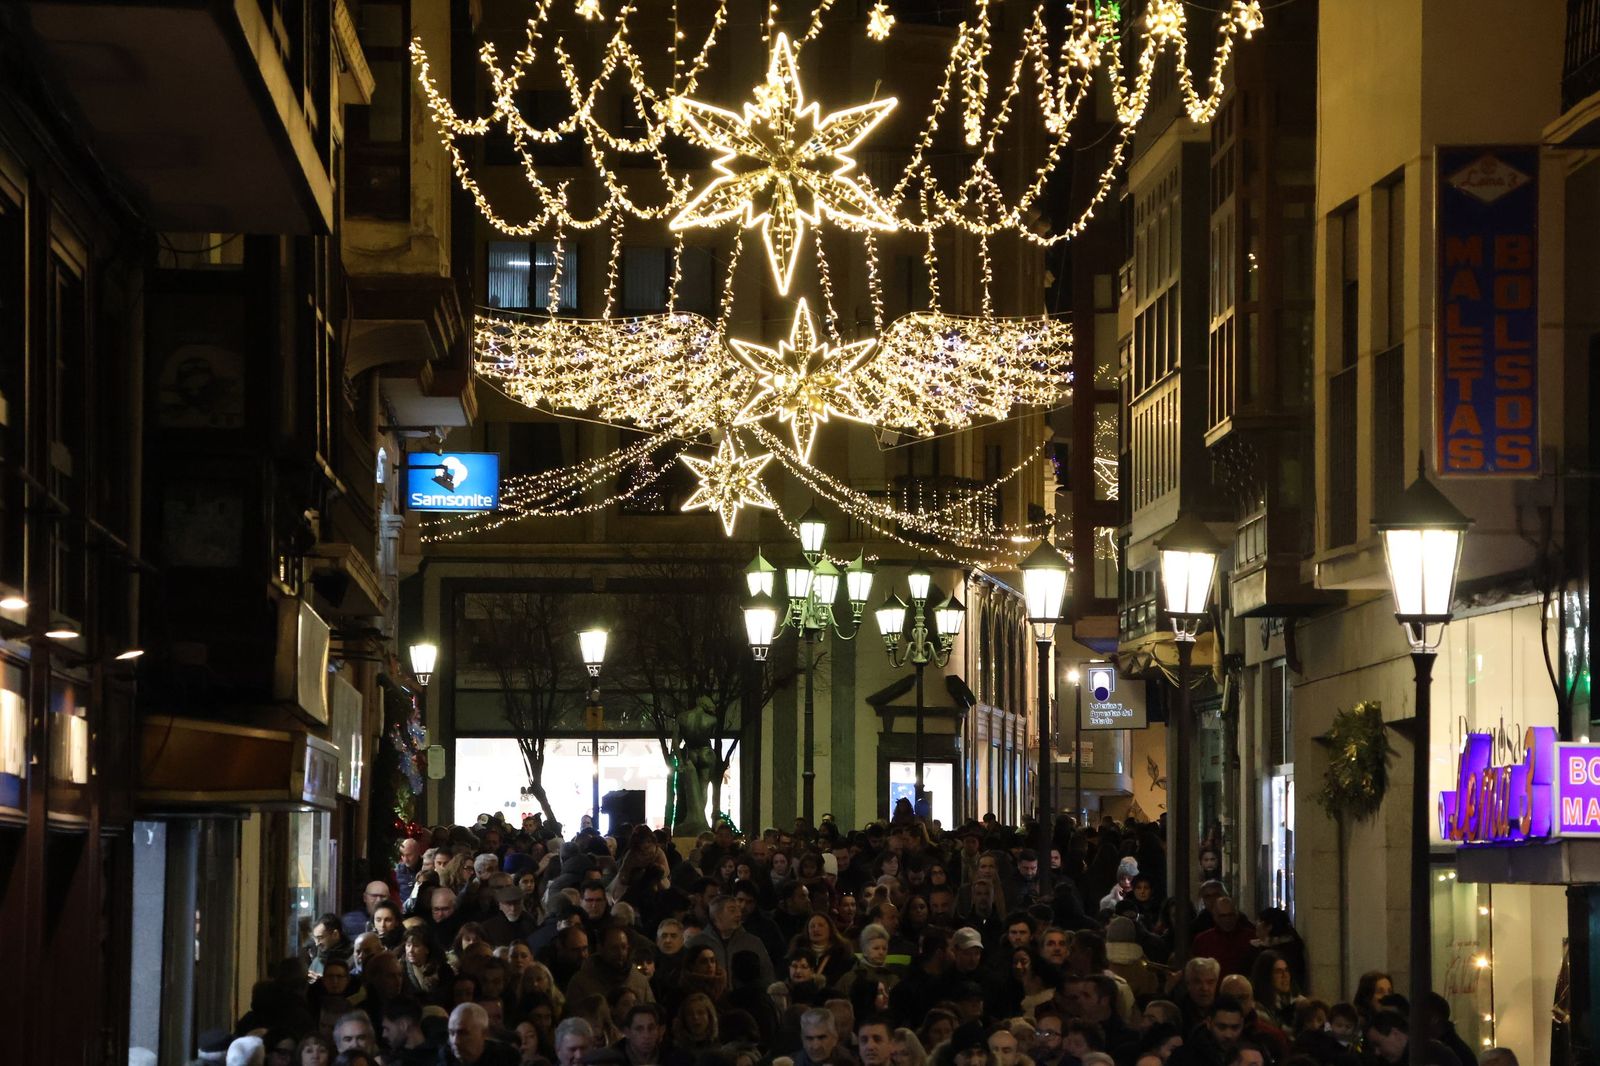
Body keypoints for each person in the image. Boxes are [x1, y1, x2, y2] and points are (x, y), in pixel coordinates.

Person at [1188, 898, 1255, 978]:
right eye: (1222, 916)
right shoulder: (1202, 940)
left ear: (1237, 915)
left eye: (1231, 915)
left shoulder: (1250, 938)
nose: (1227, 920)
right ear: (1215, 917)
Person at [445, 1002, 521, 1066]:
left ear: (484, 1033)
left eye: (463, 1033)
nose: (455, 1041)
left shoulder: (506, 1058)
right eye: (451, 1033)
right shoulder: (444, 1058)